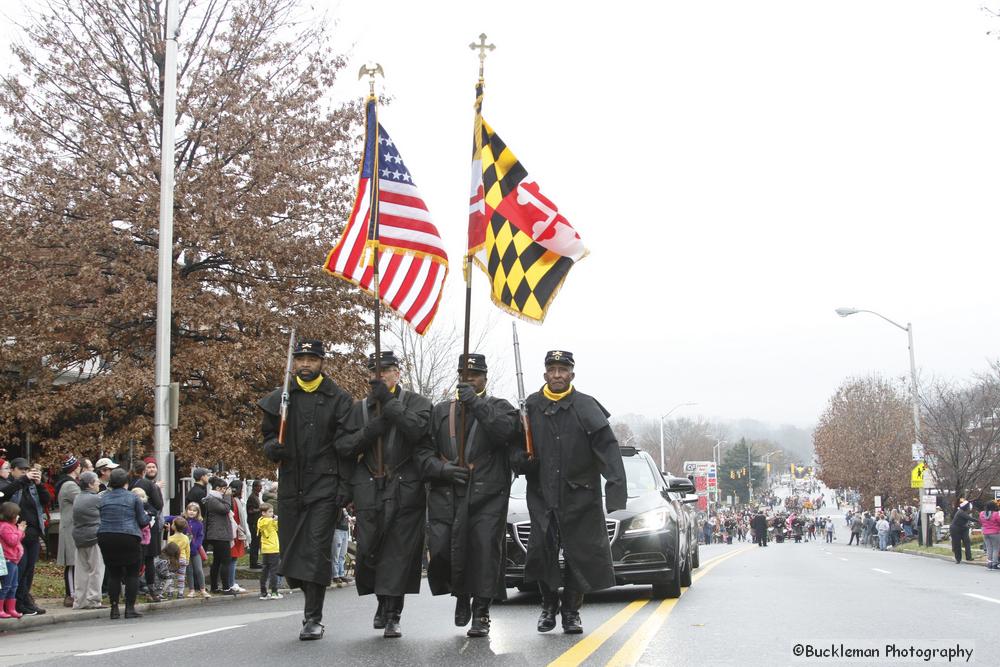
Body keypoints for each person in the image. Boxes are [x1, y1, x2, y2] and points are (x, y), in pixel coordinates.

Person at [513, 350, 626, 635]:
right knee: (541, 552)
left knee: (580, 554)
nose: (557, 375)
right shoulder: (531, 407)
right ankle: (548, 606)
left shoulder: (586, 406)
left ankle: (571, 612)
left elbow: (608, 450)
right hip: (542, 494)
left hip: (580, 495)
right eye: (552, 369)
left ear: (572, 374)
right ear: (545, 374)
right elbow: (513, 449)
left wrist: (615, 492)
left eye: (563, 370)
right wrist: (521, 461)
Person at [417, 353, 519, 638]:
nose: (468, 380)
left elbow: (505, 433)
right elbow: (422, 453)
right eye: (463, 375)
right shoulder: (441, 411)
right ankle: (461, 596)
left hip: (487, 494)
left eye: (474, 375)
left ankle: (481, 610)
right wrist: (441, 469)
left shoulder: (500, 406)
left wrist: (475, 402)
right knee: (442, 551)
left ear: (485, 378)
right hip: (447, 493)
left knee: (484, 552)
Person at [259, 337, 354, 641]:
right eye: (300, 359)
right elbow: (267, 437)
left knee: (314, 552)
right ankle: (307, 596)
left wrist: (344, 486)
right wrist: (273, 447)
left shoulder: (338, 399)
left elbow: (347, 448)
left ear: (322, 362)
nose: (305, 364)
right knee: (290, 554)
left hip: (324, 487)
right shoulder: (282, 398)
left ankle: (312, 617)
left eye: (311, 359)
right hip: (291, 486)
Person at [335, 350, 432, 639]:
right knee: (370, 550)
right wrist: (369, 431)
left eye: (387, 370)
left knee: (399, 554)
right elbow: (343, 446)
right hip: (368, 487)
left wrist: (389, 403)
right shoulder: (359, 408)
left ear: (397, 372)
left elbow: (418, 431)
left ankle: (393, 614)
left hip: (404, 486)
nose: (381, 376)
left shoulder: (417, 402)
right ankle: (381, 600)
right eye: (375, 372)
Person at [98, 468, 151, 619]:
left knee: (114, 573)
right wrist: (149, 518)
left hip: (106, 535)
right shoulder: (133, 498)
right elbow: (142, 521)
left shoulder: (103, 497)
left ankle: (114, 609)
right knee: (132, 573)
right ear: (126, 482)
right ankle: (129, 608)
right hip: (128, 536)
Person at [0, 457, 51, 616]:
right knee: (19, 570)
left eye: (26, 470)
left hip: (32, 533)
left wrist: (39, 483)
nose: (25, 472)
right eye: (21, 470)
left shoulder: (31, 486)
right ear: (14, 470)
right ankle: (16, 602)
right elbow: (4, 495)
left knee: (29, 569)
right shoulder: (9, 485)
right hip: (15, 535)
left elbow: (46, 500)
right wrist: (23, 480)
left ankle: (23, 600)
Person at [129, 458, 164, 596]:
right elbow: (159, 504)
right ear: (144, 471)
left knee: (134, 557)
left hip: (130, 523)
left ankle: (133, 586)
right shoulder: (149, 484)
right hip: (148, 524)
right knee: (149, 557)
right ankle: (150, 587)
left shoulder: (128, 483)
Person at [71, 471, 105, 610]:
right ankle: (93, 600)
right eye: (96, 481)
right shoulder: (95, 499)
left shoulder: (78, 497)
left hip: (79, 537)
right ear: (90, 484)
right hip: (93, 536)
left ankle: (80, 601)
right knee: (96, 569)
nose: (99, 483)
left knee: (81, 571)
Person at [55, 455, 82, 608]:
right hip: (70, 528)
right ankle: (70, 594)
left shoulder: (69, 484)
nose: (80, 468)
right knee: (71, 563)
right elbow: (81, 502)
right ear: (74, 468)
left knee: (73, 562)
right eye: (78, 466)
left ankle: (73, 593)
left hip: (71, 527)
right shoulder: (70, 486)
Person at [203, 477, 235, 593]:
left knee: (217, 560)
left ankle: (214, 587)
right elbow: (225, 509)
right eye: (224, 489)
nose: (225, 491)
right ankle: (226, 587)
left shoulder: (216, 498)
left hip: (219, 533)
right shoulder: (212, 499)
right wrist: (227, 496)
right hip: (219, 534)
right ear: (217, 488)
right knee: (225, 561)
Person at [0, 502, 25, 619]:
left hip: (14, 560)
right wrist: (19, 531)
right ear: (11, 515)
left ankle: (11, 608)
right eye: (17, 515)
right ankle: (1, 609)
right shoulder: (4, 527)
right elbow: (12, 541)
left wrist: (19, 531)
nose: (18, 517)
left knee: (14, 585)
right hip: (8, 560)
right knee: (6, 586)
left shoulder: (11, 526)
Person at [227, 480, 250, 593]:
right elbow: (238, 519)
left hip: (233, 533)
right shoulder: (235, 501)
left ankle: (230, 582)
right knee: (233, 559)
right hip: (236, 533)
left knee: (231, 559)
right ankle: (231, 583)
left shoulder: (229, 499)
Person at [257, 502, 282, 599]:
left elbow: (276, 527)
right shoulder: (264, 521)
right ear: (263, 513)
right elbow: (268, 523)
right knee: (273, 571)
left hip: (266, 549)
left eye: (272, 511)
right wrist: (273, 519)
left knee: (265, 571)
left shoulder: (262, 521)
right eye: (270, 512)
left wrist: (274, 521)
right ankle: (274, 592)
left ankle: (263, 592)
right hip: (273, 549)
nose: (272, 513)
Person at [165, 517, 190, 599]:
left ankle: (170, 592)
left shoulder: (171, 538)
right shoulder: (186, 538)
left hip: (173, 559)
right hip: (182, 558)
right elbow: (187, 550)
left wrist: (168, 532)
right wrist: (187, 559)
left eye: (172, 523)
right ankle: (180, 593)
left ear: (174, 527)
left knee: (170, 576)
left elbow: (169, 548)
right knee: (181, 577)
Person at [331, 507, 352, 585]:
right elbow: (338, 517)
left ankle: (341, 574)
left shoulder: (348, 508)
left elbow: (349, 517)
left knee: (342, 554)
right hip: (337, 530)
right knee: (336, 554)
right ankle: (335, 575)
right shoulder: (340, 506)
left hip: (345, 530)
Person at [247, 480, 263, 570]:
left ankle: (255, 561)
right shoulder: (252, 497)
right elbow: (250, 510)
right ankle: (253, 563)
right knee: (255, 543)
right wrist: (260, 509)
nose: (261, 488)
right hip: (253, 523)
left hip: (256, 522)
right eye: (259, 486)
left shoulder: (256, 496)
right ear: (255, 487)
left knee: (256, 542)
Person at [979, 500, 1000, 570]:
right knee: (996, 549)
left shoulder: (982, 513)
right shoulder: (995, 514)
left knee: (989, 548)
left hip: (985, 533)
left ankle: (989, 564)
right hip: (995, 533)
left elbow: (981, 522)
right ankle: (994, 564)